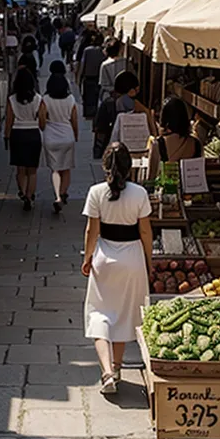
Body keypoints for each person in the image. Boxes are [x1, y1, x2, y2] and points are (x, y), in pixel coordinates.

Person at [82, 142, 153, 394]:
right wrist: (149, 260)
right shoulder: (139, 194)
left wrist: (88, 257)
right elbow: (145, 231)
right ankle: (117, 366)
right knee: (123, 314)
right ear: (129, 166)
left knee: (99, 313)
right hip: (132, 257)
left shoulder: (96, 192)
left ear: (104, 166)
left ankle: (107, 372)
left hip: (105, 257)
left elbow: (92, 231)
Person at [39, 66, 78, 213]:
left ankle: (57, 197)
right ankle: (63, 193)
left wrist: (44, 128)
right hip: (67, 136)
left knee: (55, 170)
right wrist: (75, 134)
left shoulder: (45, 99)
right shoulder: (71, 99)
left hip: (51, 137)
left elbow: (42, 119)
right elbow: (74, 119)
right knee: (66, 168)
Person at [93, 71, 155, 160]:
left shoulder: (107, 104)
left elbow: (99, 130)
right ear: (131, 91)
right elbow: (152, 132)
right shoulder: (138, 106)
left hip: (112, 152)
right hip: (136, 151)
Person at [4, 68, 42, 211]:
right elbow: (42, 118)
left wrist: (6, 136)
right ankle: (30, 195)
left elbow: (9, 120)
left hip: (17, 134)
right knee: (32, 170)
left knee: (20, 169)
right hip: (33, 134)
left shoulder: (12, 100)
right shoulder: (38, 99)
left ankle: (23, 194)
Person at [147, 96, 202, 180]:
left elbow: (151, 177)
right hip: (191, 190)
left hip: (167, 189)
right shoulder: (196, 143)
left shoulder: (157, 144)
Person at [78, 33, 106, 119]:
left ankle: (89, 113)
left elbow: (83, 64)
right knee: (97, 97)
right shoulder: (103, 52)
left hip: (89, 77)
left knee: (88, 97)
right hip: (99, 77)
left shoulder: (87, 50)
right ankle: (96, 113)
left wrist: (79, 77)